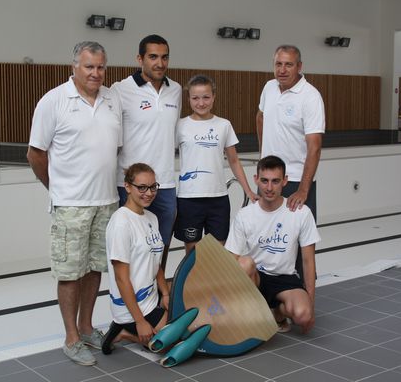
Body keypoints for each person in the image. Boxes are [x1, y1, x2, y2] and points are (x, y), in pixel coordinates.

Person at [27, 41, 121, 366]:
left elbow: (115, 150)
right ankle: (70, 338)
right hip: (71, 205)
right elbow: (35, 153)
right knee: (70, 273)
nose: (96, 73)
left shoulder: (113, 99)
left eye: (100, 67)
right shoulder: (54, 101)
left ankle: (86, 326)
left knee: (95, 269)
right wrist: (56, 188)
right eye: (89, 66)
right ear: (74, 67)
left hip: (106, 201)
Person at [225, 156, 320, 334]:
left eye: (275, 181)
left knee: (303, 315)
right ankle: (253, 312)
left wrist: (311, 305)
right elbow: (231, 260)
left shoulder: (301, 213)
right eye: (264, 181)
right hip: (256, 278)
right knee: (244, 263)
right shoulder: (245, 215)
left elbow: (308, 261)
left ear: (285, 181)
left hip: (285, 278)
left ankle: (277, 313)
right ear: (256, 180)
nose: (269, 188)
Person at [110, 34, 182, 268]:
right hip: (130, 185)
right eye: (153, 57)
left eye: (164, 57)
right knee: (132, 248)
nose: (160, 63)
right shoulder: (120, 90)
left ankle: (159, 294)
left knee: (160, 246)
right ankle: (131, 298)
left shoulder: (176, 90)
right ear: (140, 58)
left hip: (165, 184)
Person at [175, 74, 258, 254]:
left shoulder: (224, 125)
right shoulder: (180, 126)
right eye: (195, 98)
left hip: (218, 199)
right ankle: (192, 283)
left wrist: (249, 191)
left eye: (206, 97)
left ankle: (216, 284)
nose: (201, 103)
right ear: (188, 98)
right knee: (192, 254)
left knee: (219, 254)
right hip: (189, 199)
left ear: (213, 97)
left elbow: (234, 161)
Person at [255, 45, 325, 220]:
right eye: (278, 64)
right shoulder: (269, 87)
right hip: (268, 177)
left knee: (299, 241)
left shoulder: (310, 97)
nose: (282, 70)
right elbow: (260, 117)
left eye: (289, 65)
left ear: (299, 66)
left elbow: (314, 148)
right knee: (265, 235)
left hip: (295, 180)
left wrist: (303, 189)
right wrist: (263, 156)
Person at [105, 163, 170, 347]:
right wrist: (140, 321)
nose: (149, 193)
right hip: (132, 308)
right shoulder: (121, 223)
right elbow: (121, 279)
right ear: (127, 186)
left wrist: (165, 293)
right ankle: (123, 332)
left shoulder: (151, 218)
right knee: (170, 343)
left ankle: (151, 328)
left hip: (152, 299)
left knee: (187, 322)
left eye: (152, 187)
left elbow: (155, 261)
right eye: (142, 187)